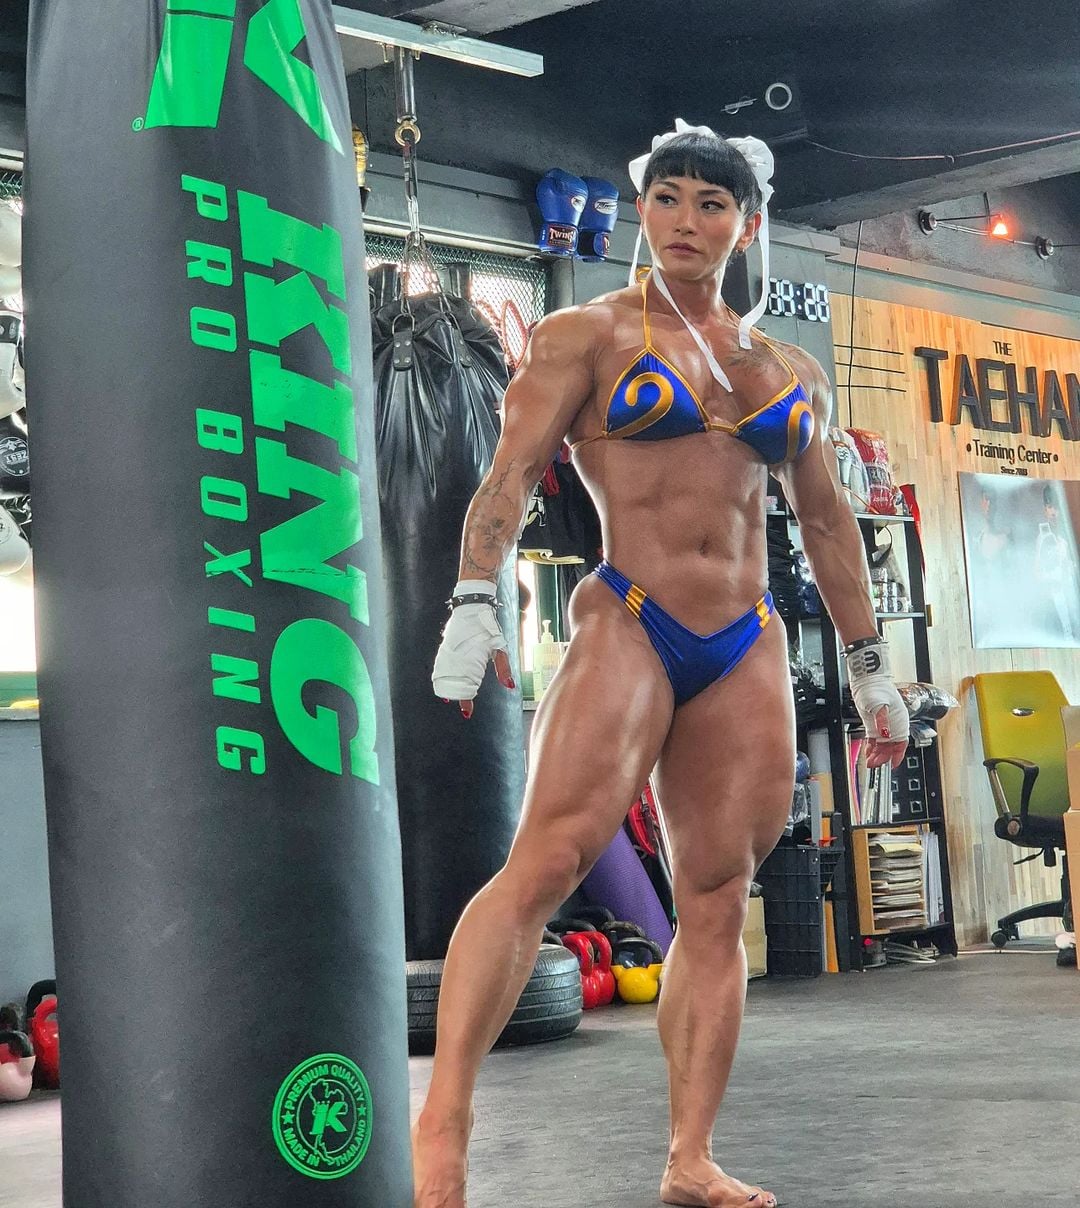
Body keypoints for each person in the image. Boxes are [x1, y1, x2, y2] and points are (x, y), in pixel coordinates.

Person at [416, 120, 910, 1208]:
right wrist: (473, 598)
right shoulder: (584, 333)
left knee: (718, 897)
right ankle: (444, 1122)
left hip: (746, 636)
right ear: (643, 211)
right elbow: (510, 472)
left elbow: (827, 521)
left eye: (712, 204)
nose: (688, 220)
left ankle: (690, 1156)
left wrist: (871, 664)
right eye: (670, 198)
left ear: (747, 223)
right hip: (630, 616)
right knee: (546, 862)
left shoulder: (787, 368)